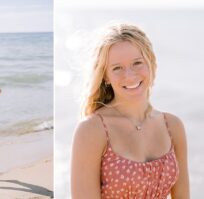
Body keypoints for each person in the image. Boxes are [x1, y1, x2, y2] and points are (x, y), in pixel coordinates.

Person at [71, 23, 190, 198]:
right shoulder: (92, 130)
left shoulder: (172, 126)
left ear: (150, 63)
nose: (129, 75)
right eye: (117, 68)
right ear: (105, 76)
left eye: (137, 63)